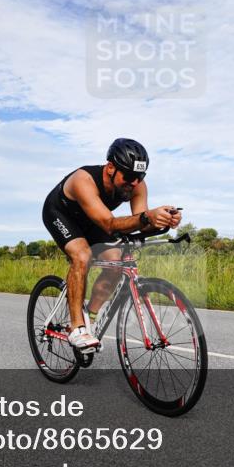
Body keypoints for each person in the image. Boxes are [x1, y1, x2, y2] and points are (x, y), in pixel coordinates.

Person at [41, 138, 182, 351]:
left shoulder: (136, 186)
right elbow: (110, 223)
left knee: (115, 261)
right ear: (110, 168)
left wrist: (163, 222)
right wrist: (147, 217)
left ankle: (91, 316)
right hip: (61, 214)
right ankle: (77, 326)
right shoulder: (84, 179)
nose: (134, 183)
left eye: (140, 177)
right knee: (82, 256)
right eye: (129, 176)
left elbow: (140, 221)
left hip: (93, 219)